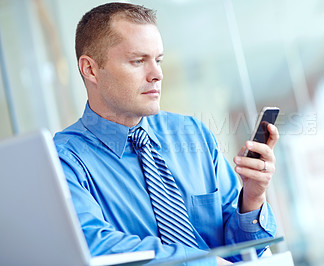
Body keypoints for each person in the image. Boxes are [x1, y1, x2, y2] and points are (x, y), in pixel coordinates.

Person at [53, 2, 280, 265]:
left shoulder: (193, 134)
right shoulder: (64, 160)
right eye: (138, 61)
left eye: (158, 60)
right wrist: (206, 261)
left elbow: (242, 251)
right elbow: (95, 247)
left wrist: (252, 198)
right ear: (90, 69)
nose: (157, 74)